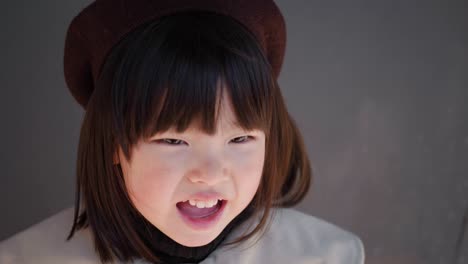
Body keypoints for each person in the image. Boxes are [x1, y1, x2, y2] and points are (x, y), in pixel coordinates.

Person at [0, 0, 365, 263]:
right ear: (113, 141)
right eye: (174, 140)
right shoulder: (28, 258)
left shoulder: (327, 256)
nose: (209, 173)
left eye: (240, 139)